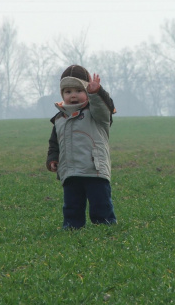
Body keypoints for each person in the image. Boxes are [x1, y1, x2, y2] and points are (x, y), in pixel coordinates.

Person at [46, 65, 117, 229]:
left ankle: (106, 226)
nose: (73, 95)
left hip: (95, 170)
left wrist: (97, 92)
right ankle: (72, 227)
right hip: (70, 171)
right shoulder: (59, 119)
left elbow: (104, 107)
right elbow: (54, 143)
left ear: (86, 92)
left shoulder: (96, 113)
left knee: (101, 204)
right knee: (71, 206)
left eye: (79, 90)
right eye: (68, 91)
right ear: (62, 95)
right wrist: (52, 159)